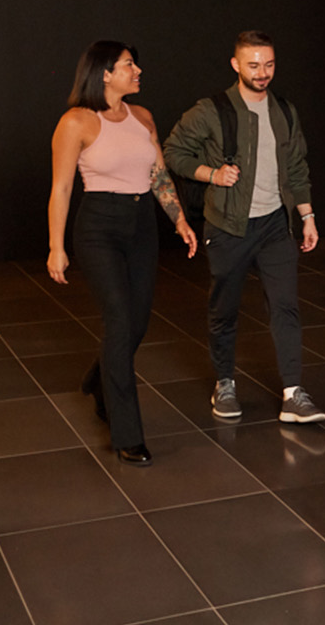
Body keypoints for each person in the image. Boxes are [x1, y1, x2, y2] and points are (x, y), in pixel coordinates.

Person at [163, 30, 325, 424]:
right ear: (236, 65)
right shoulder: (212, 110)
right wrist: (212, 174)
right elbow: (172, 152)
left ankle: (292, 393)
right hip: (228, 228)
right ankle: (224, 383)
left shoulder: (284, 111)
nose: (262, 72)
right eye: (254, 65)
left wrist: (306, 217)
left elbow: (297, 168)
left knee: (285, 306)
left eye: (269, 64)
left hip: (276, 226)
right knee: (225, 310)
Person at [47, 40, 197, 466]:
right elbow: (61, 189)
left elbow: (158, 175)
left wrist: (179, 220)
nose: (138, 71)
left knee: (138, 322)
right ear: (105, 74)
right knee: (118, 319)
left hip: (142, 226)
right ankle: (127, 433)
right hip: (99, 226)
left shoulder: (143, 117)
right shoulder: (76, 122)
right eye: (129, 65)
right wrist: (56, 247)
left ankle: (99, 380)